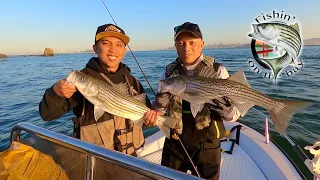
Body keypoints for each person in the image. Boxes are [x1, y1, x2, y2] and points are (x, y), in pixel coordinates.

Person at [39, 23, 158, 157]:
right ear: (95, 48)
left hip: (131, 159)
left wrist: (150, 121)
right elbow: (46, 115)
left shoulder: (134, 82)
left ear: (125, 51)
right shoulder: (80, 81)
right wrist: (55, 93)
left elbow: (144, 120)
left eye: (119, 45)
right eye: (106, 43)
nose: (113, 50)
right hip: (95, 162)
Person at [145, 22, 241, 179]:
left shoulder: (218, 71)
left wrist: (224, 108)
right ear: (175, 45)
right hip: (175, 142)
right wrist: (156, 109)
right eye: (181, 43)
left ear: (202, 43)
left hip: (208, 145)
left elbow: (233, 116)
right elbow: (159, 111)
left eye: (192, 42)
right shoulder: (168, 73)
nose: (186, 48)